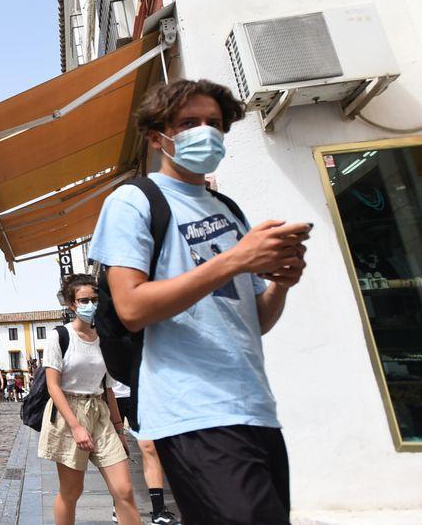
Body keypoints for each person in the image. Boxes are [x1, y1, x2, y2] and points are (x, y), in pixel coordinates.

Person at [89, 79, 310, 525]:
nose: (204, 133)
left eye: (214, 123)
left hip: (256, 408)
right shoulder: (133, 202)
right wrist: (233, 260)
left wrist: (281, 284)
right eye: (188, 123)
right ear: (157, 137)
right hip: (191, 410)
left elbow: (255, 320)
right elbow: (130, 307)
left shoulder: (228, 210)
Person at [40, 274, 142, 525]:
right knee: (72, 491)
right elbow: (53, 386)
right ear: (71, 304)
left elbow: (108, 389)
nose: (91, 305)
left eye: (95, 299)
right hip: (68, 413)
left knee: (124, 490)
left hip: (100, 412)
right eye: (84, 300)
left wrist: (119, 431)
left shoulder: (105, 340)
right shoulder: (60, 337)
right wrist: (76, 427)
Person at [113, 379, 180, 525]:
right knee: (115, 452)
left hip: (140, 394)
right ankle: (119, 504)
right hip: (112, 395)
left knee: (149, 446)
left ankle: (158, 512)